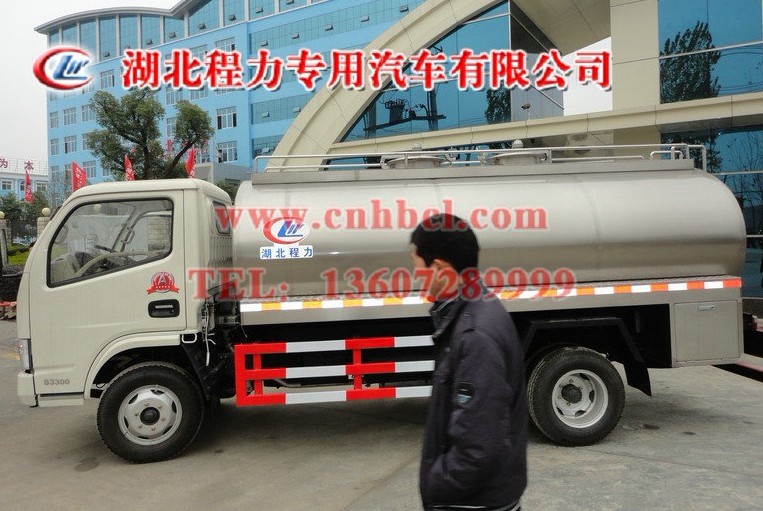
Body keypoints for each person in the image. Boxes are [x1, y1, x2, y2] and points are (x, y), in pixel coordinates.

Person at [410, 213, 528, 511]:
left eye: (417, 265)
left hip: (475, 503)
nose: (415, 275)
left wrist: (435, 484)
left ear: (439, 269)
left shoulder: (475, 334)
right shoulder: (475, 309)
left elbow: (479, 449)